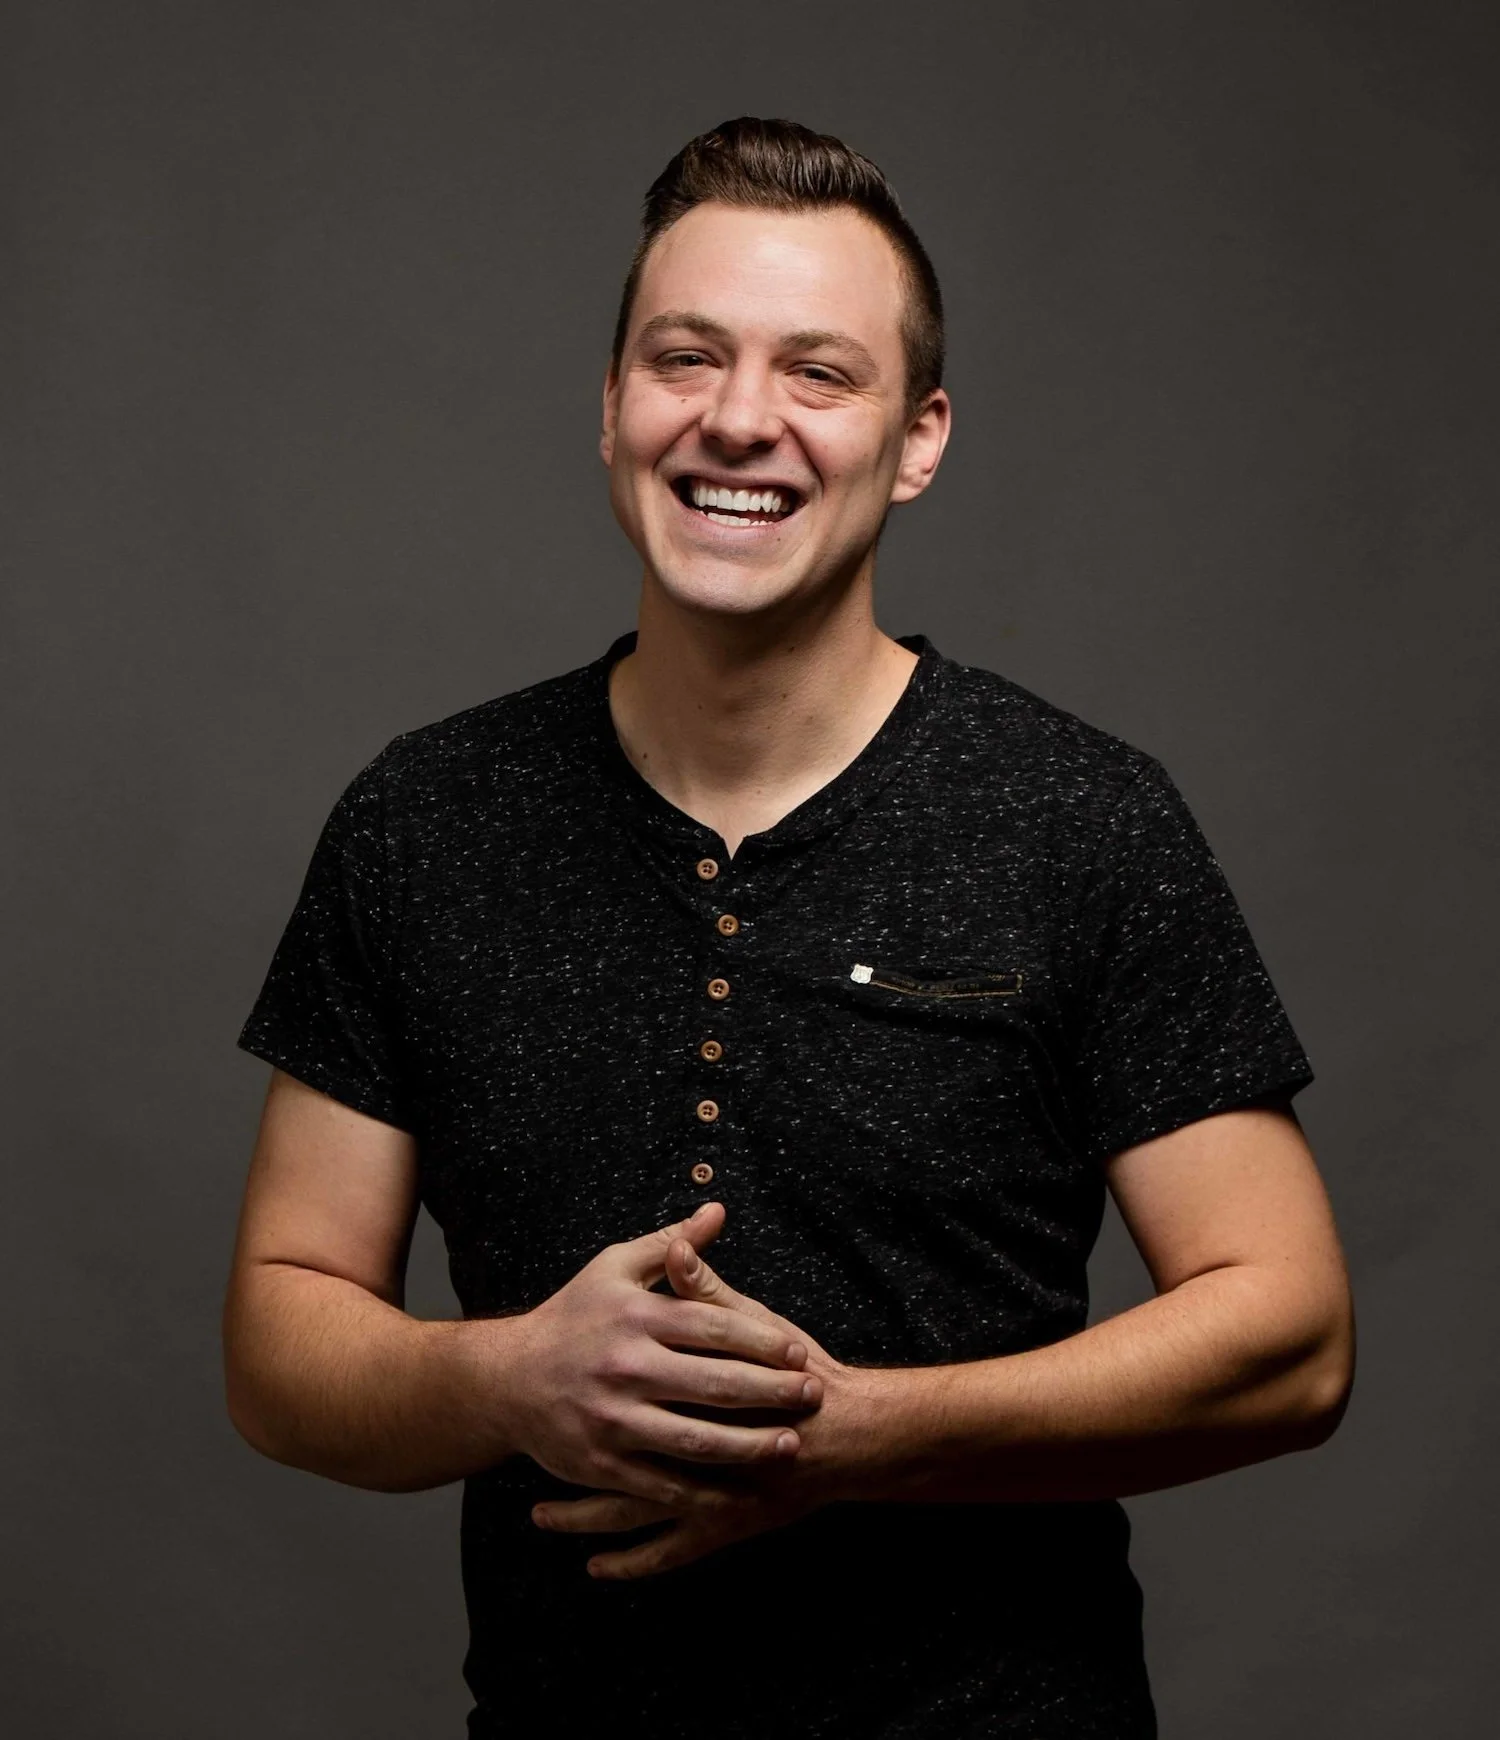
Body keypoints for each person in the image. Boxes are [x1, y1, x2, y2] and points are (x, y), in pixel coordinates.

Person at [223, 116, 1355, 1737]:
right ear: (611, 406)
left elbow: (1293, 1337)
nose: (740, 419)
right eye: (686, 358)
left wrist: (855, 1433)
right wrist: (513, 1378)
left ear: (919, 437)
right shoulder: (425, 818)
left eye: (818, 373)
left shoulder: (1078, 819)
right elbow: (278, 1338)